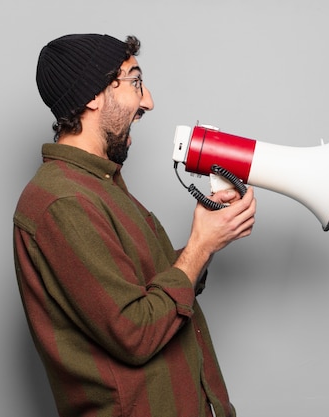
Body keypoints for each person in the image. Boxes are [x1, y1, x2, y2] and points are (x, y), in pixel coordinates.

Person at [13, 33, 256, 417]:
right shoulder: (65, 203)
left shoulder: (98, 185)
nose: (149, 101)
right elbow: (134, 331)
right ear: (92, 95)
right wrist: (199, 247)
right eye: (135, 81)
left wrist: (210, 238)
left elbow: (142, 289)